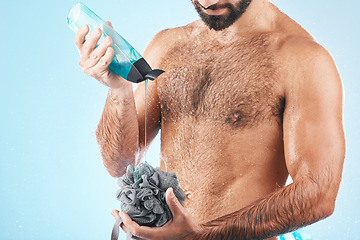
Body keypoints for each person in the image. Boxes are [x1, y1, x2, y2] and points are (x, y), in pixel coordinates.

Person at [74, 0, 345, 239]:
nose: (208, 1)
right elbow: (119, 163)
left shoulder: (302, 58)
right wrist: (118, 89)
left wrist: (202, 236)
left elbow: (318, 193)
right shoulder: (168, 46)